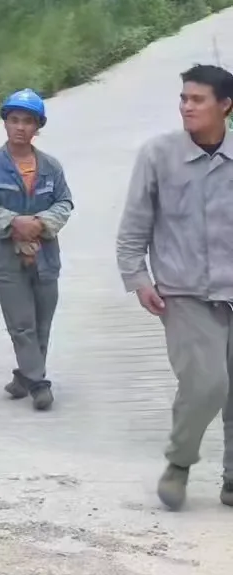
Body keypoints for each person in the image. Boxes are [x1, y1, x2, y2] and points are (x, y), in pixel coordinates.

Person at [115, 63, 233, 512]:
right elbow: (133, 230)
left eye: (197, 99)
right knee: (207, 384)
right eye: (183, 98)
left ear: (225, 105)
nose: (186, 106)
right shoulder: (158, 156)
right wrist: (138, 279)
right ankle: (180, 464)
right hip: (185, 293)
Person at [0, 89, 74, 411]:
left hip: (45, 257)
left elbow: (65, 202)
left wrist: (41, 223)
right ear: (5, 123)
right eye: (14, 120)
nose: (20, 127)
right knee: (22, 324)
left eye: (28, 121)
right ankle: (40, 384)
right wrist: (14, 222)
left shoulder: (51, 167)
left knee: (43, 321)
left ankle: (24, 376)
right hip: (6, 258)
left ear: (37, 127)